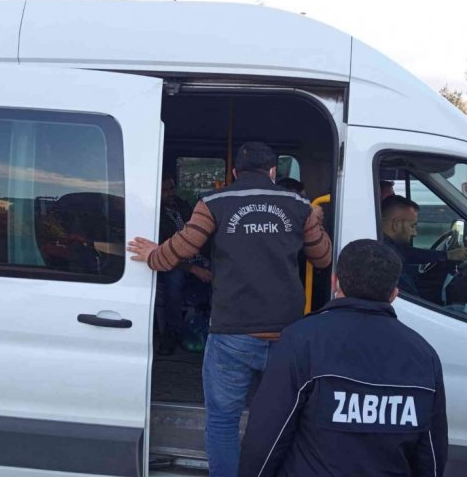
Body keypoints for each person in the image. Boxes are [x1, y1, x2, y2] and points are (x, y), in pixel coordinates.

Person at [128, 142, 332, 476]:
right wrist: (314, 223)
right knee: (279, 421)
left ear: (235, 172)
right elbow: (322, 258)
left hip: (232, 334)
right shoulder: (299, 205)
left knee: (223, 421)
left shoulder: (213, 202)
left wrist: (152, 254)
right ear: (273, 172)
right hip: (287, 335)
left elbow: (179, 251)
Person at [239, 239, 448, 476]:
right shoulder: (424, 356)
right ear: (394, 294)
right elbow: (431, 452)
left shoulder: (302, 341)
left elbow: (268, 434)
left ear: (335, 282)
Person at [156, 173, 212, 355]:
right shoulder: (156, 214)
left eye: (172, 188)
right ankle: (172, 332)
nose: (170, 193)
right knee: (174, 281)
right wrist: (193, 269)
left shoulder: (184, 206)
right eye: (165, 190)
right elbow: (163, 251)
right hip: (171, 261)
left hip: (194, 255)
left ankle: (213, 327)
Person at [381, 195, 467, 295]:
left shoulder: (389, 247)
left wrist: (448, 255)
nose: (415, 233)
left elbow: (411, 253)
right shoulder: (386, 259)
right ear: (396, 224)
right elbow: (412, 296)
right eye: (412, 226)